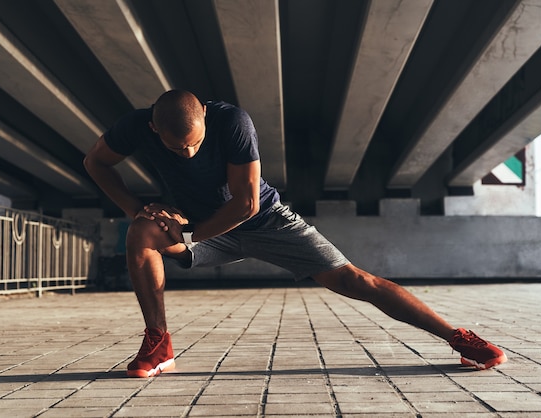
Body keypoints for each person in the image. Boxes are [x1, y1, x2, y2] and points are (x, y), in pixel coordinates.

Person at [84, 89, 507, 378]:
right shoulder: (135, 126)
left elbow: (245, 203)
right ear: (155, 130)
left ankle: (458, 338)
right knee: (140, 232)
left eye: (195, 144)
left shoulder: (233, 122)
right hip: (196, 223)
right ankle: (159, 344)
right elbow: (95, 163)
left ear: (206, 121)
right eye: (178, 149)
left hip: (263, 219)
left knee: (355, 280)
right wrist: (138, 209)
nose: (189, 153)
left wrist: (191, 237)